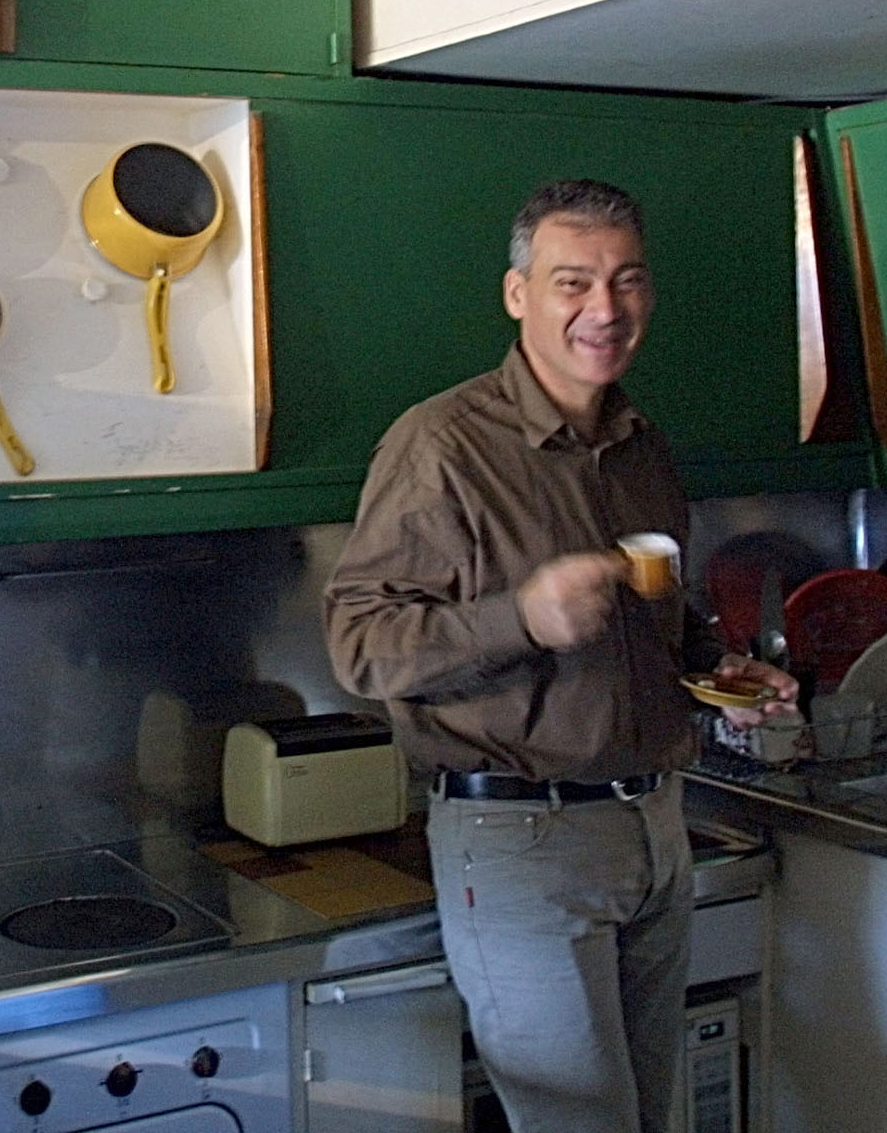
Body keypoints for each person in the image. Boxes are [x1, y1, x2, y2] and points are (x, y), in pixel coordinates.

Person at [321, 178, 796, 1133]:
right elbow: (358, 645)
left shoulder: (641, 446)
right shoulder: (442, 446)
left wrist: (723, 678)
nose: (604, 310)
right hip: (519, 842)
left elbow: (661, 624)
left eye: (625, 282)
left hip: (657, 828)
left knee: (648, 1120)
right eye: (572, 282)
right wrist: (520, 619)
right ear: (517, 293)